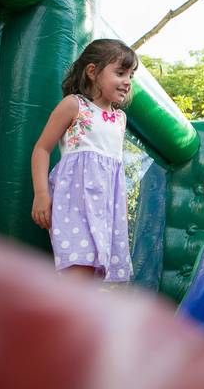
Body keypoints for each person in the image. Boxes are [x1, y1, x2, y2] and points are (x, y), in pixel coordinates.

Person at [31, 39, 138, 282]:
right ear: (92, 71)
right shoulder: (74, 106)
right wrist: (41, 193)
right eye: (120, 73)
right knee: (78, 268)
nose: (127, 81)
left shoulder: (119, 118)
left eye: (131, 75)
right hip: (75, 202)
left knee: (90, 275)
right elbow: (42, 148)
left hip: (105, 207)